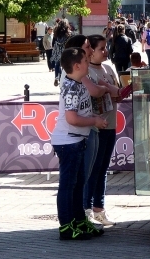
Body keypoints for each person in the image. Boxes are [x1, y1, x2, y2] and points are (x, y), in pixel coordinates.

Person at [51, 47, 107, 241]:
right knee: (68, 185)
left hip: (77, 141)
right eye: (85, 59)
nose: (89, 59)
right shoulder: (72, 87)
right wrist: (94, 122)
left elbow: (80, 112)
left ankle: (78, 220)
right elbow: (72, 118)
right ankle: (66, 226)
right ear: (77, 66)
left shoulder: (79, 82)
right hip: (68, 142)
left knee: (78, 184)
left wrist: (92, 116)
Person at [85, 34, 125, 227]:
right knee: (92, 169)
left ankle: (99, 209)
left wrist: (117, 93)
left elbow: (116, 92)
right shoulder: (87, 72)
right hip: (95, 126)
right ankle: (87, 209)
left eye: (105, 47)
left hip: (110, 123)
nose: (105, 51)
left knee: (102, 170)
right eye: (101, 48)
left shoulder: (108, 68)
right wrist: (106, 90)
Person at [50, 19, 72, 86]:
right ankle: (63, 78)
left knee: (57, 64)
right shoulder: (69, 33)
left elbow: (53, 43)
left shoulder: (56, 33)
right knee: (64, 66)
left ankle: (56, 77)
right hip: (65, 51)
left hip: (58, 51)